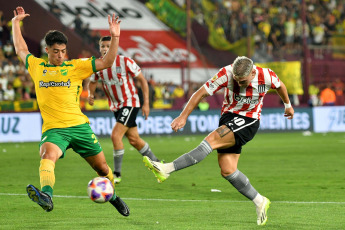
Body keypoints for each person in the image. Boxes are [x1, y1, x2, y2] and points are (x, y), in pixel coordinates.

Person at [143, 56, 294, 226]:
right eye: (236, 80)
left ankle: (166, 169)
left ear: (252, 73)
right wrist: (183, 116)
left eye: (242, 81)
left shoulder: (266, 76)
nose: (239, 84)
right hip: (228, 118)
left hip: (248, 120)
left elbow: (280, 86)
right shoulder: (226, 73)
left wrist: (287, 105)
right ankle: (260, 201)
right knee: (228, 170)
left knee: (211, 141)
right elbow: (200, 92)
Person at [12, 6, 130, 216]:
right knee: (47, 155)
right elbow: (21, 50)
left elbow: (108, 61)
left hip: (79, 127)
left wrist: (115, 37)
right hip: (55, 130)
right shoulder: (38, 67)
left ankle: (113, 196)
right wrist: (15, 23)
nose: (60, 55)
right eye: (55, 51)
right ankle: (46, 196)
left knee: (102, 169)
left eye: (63, 51)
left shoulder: (76, 67)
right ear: (47, 50)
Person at [88, 36, 160, 184]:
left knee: (115, 136)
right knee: (134, 140)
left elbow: (142, 80)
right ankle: (158, 164)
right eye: (102, 46)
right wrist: (91, 94)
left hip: (130, 103)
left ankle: (117, 174)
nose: (105, 49)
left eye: (108, 46)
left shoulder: (125, 61)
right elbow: (92, 81)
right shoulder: (99, 65)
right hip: (116, 107)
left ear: (114, 46)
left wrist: (146, 103)